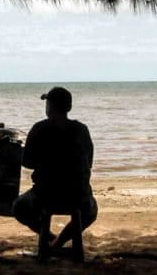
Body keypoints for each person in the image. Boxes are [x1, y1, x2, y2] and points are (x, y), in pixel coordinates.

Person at [12, 86, 98, 250]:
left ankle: (53, 241)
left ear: (49, 107)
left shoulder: (39, 128)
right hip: (77, 195)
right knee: (90, 211)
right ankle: (57, 241)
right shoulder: (82, 130)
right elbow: (89, 163)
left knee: (18, 207)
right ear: (69, 107)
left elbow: (27, 162)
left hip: (45, 195)